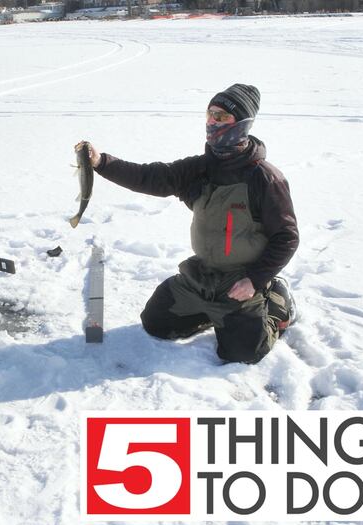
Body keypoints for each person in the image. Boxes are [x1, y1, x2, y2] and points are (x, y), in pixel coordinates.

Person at [82, 84, 298, 364]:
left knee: (242, 353)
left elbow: (287, 237)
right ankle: (214, 312)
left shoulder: (264, 179)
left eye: (221, 117)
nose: (211, 121)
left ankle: (276, 303)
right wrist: (101, 163)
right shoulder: (200, 168)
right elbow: (152, 177)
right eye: (210, 114)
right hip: (202, 274)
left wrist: (254, 279)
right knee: (156, 324)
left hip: (240, 279)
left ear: (242, 124)